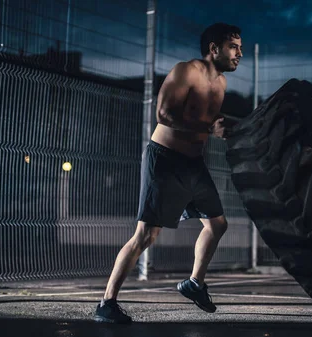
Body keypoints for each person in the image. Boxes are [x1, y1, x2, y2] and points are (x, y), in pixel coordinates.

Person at [94, 22, 243, 324]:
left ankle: (194, 283)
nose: (239, 53)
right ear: (214, 48)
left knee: (217, 225)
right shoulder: (187, 71)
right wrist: (208, 127)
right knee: (147, 234)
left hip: (193, 164)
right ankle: (106, 303)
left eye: (241, 47)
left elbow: (207, 122)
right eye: (233, 47)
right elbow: (164, 114)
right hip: (165, 160)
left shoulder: (222, 84)